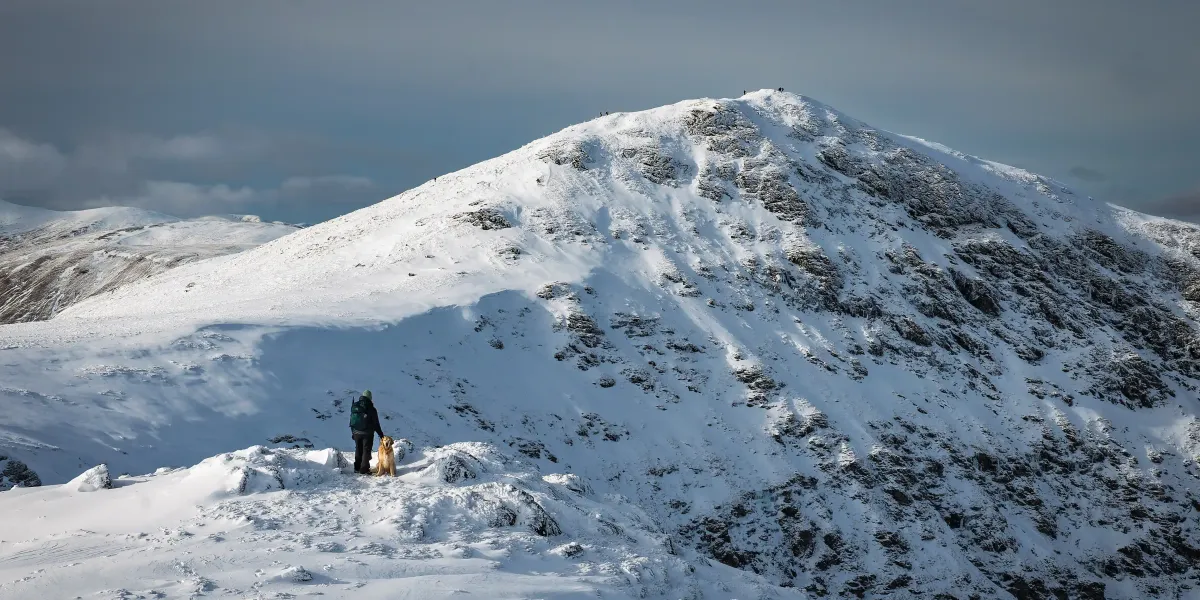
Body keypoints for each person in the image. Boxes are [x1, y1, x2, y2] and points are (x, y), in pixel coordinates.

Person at [349, 390, 386, 474]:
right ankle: (364, 469)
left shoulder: (355, 406)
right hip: (367, 433)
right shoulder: (371, 408)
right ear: (370, 397)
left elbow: (351, 420)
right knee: (366, 450)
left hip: (356, 432)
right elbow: (376, 424)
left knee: (358, 449)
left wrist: (353, 432)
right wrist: (381, 435)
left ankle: (357, 468)